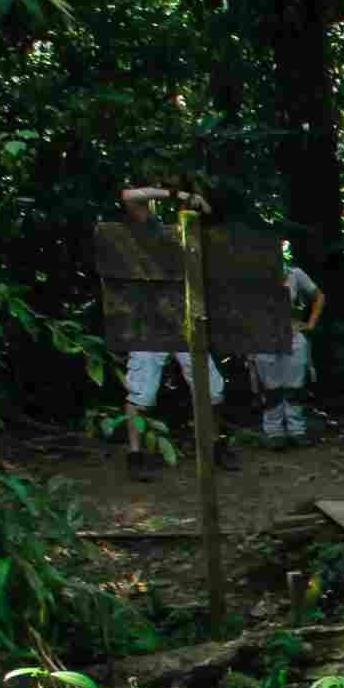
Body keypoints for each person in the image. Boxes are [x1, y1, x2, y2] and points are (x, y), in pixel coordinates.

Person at [111, 184, 235, 478]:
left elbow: (205, 213)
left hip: (186, 324)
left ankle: (214, 446)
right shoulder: (146, 235)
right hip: (150, 325)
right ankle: (135, 454)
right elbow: (129, 197)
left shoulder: (191, 239)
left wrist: (195, 203)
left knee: (212, 390)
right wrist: (175, 194)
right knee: (141, 393)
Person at [257, 251, 327, 444]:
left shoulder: (294, 274)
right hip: (263, 337)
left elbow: (319, 296)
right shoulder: (253, 274)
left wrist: (310, 323)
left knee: (295, 384)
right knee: (271, 386)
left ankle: (297, 429)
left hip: (292, 333)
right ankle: (274, 432)